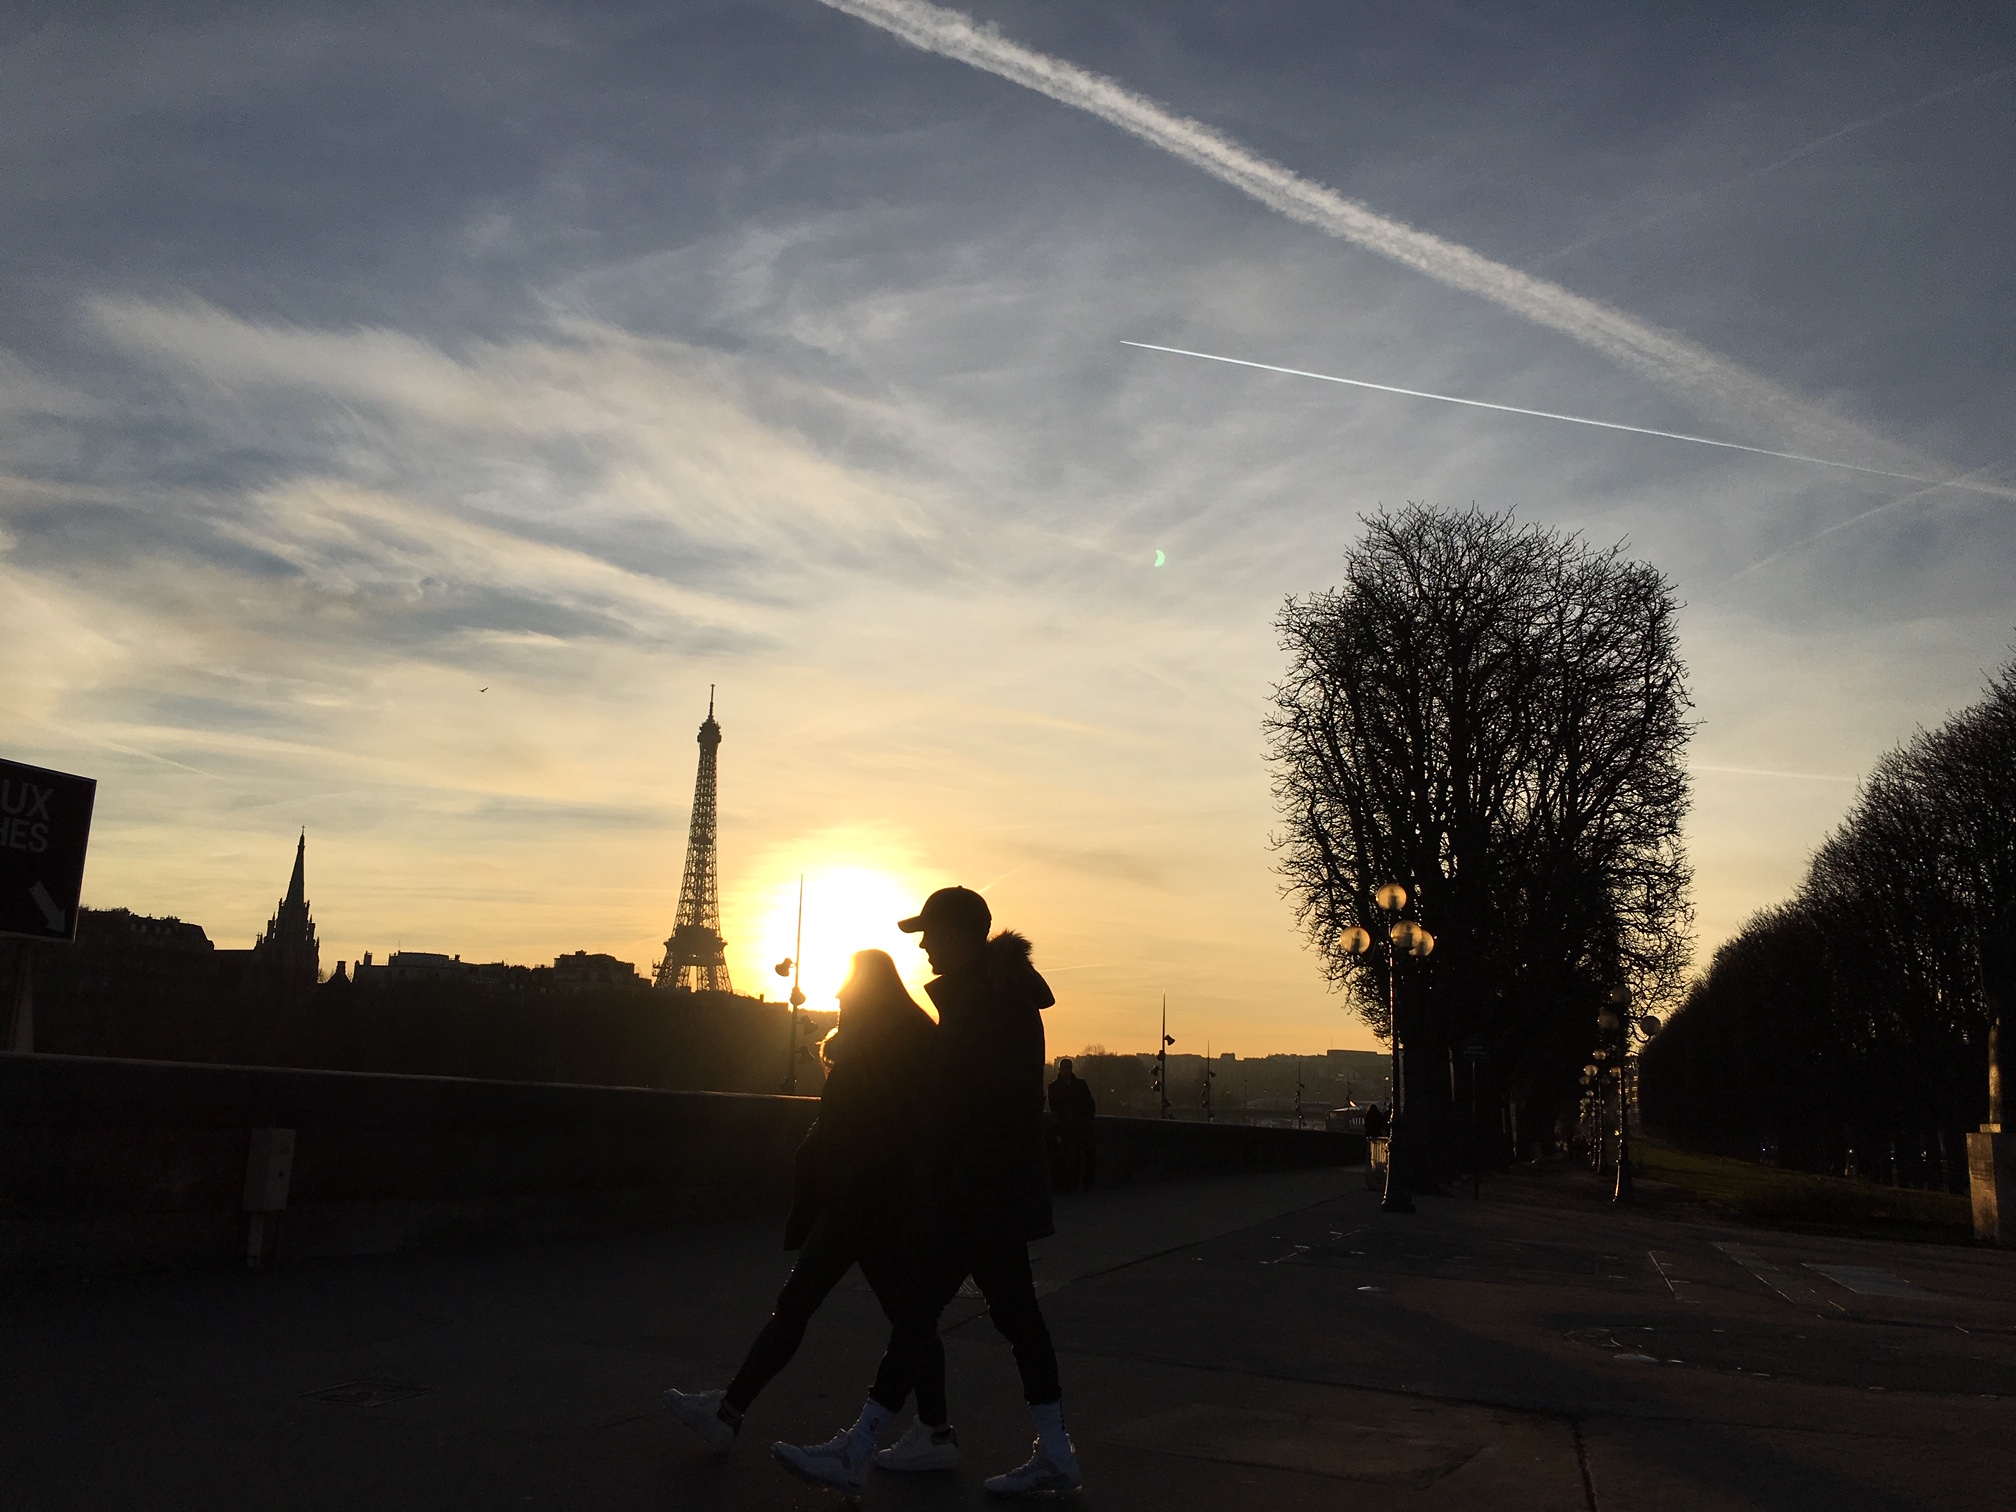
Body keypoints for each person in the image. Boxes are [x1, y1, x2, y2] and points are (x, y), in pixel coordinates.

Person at [775, 885, 1082, 1496]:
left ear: (962, 936)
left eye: (931, 933)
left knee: (922, 1314)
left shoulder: (986, 1004)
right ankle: (1051, 1453)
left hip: (974, 1193)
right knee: (998, 1317)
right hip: (990, 1191)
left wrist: (940, 1180)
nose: (922, 946)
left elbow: (972, 1109)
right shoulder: (994, 997)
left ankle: (866, 1448)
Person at [663, 950, 958, 1472]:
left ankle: (731, 1411)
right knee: (903, 1320)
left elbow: (863, 1128)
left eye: (847, 985)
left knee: (819, 1309)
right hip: (876, 1200)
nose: (840, 994)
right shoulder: (911, 1038)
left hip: (861, 1203)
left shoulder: (876, 1045)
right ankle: (934, 1430)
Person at [1047, 1057, 1098, 1192]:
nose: (1067, 1070)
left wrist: (1087, 1119)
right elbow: (1056, 1108)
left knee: (1086, 1157)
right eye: (1065, 1067)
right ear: (1060, 1069)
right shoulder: (1056, 1087)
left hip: (1081, 1126)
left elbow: (1090, 1104)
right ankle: (1074, 1184)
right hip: (1067, 1127)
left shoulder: (1077, 1085)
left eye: (1069, 1067)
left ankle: (1084, 1183)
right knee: (1072, 1157)